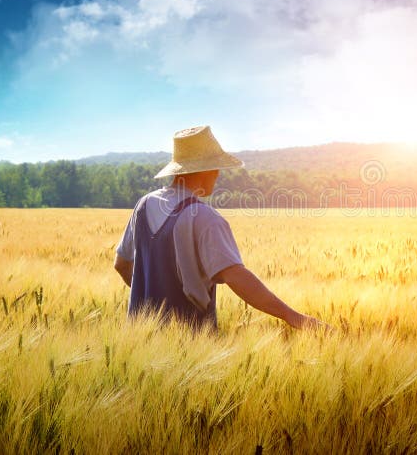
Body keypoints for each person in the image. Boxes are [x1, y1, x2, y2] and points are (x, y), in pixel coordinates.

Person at [114, 125, 322, 330]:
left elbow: (121, 264)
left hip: (139, 336)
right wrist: (293, 317)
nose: (218, 174)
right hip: (192, 348)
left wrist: (152, 300)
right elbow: (237, 277)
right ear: (207, 170)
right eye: (217, 168)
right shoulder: (205, 218)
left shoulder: (143, 205)